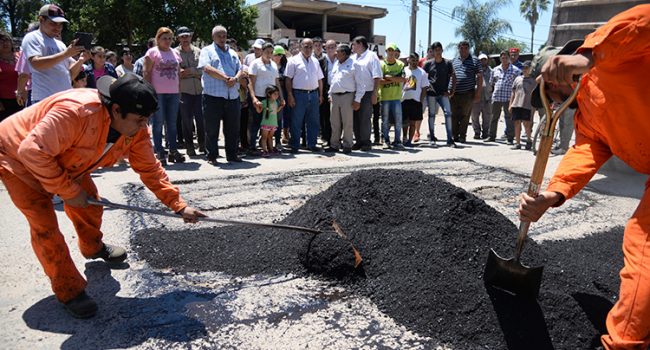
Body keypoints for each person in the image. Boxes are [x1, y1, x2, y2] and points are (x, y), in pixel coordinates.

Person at [0, 73, 204, 318]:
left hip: (65, 157)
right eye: (140, 119)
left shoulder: (135, 129)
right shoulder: (75, 113)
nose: (144, 126)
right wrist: (68, 190)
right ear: (116, 110)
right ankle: (69, 289)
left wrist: (179, 206)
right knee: (45, 227)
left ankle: (92, 247)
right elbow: (32, 151)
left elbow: (150, 169)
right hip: (15, 157)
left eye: (147, 119)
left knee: (90, 205)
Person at [518, 5, 650, 349]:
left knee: (642, 244)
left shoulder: (611, 58)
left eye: (549, 87)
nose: (552, 97)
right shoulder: (588, 118)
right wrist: (553, 194)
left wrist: (591, 55)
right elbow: (585, 152)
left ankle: (624, 342)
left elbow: (645, 19)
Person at [21, 4, 88, 104]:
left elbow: (70, 75)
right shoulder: (32, 37)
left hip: (64, 98)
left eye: (60, 24)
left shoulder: (60, 44)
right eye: (53, 23)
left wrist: (81, 60)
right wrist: (66, 54)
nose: (58, 27)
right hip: (45, 99)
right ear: (41, 20)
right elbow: (36, 64)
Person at [198, 25, 244, 165]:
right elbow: (207, 68)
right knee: (212, 128)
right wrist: (226, 78)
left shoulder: (233, 53)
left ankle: (232, 154)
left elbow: (241, 69)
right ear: (213, 37)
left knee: (233, 128)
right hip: (213, 95)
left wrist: (235, 79)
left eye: (224, 36)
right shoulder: (207, 50)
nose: (222, 38)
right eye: (219, 36)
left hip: (232, 96)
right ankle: (212, 155)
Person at [144, 27, 184, 165]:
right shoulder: (152, 52)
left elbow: (178, 73)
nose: (167, 41)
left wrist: (179, 91)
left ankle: (173, 150)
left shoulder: (175, 53)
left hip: (173, 92)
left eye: (169, 38)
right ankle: (159, 151)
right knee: (158, 123)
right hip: (158, 92)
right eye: (164, 38)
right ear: (158, 39)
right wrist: (148, 92)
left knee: (172, 123)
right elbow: (147, 73)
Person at [285, 38, 324, 153]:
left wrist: (320, 95)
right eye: (306, 46)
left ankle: (312, 144)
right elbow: (288, 79)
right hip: (298, 94)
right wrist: (290, 95)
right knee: (296, 121)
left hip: (313, 94)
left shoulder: (315, 61)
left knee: (313, 121)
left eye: (310, 47)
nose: (308, 49)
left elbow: (320, 79)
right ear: (300, 47)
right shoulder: (293, 60)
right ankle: (295, 145)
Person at [248, 42, 284, 154]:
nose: (269, 54)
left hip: (272, 99)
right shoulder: (255, 64)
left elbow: (277, 82)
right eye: (267, 52)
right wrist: (253, 98)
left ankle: (270, 146)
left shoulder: (273, 65)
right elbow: (251, 82)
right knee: (256, 122)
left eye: (271, 52)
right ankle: (252, 147)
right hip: (259, 97)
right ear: (262, 51)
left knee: (272, 123)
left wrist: (281, 97)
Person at [175, 26, 205, 157]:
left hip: (199, 90)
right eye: (182, 36)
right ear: (178, 38)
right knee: (186, 121)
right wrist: (193, 71)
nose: (185, 39)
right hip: (184, 91)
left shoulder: (199, 51)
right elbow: (178, 73)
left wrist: (188, 71)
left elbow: (202, 70)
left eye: (187, 36)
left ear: (191, 36)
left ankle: (203, 145)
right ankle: (189, 147)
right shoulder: (174, 53)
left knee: (201, 119)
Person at [351, 36, 382, 151]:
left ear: (361, 44)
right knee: (355, 118)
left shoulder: (371, 56)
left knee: (365, 117)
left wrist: (375, 93)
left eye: (354, 44)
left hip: (368, 92)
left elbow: (377, 76)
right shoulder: (353, 58)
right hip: (354, 92)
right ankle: (358, 141)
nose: (352, 47)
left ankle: (366, 142)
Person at [422, 42, 456, 148]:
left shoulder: (448, 63)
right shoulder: (428, 64)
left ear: (442, 50)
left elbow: (454, 77)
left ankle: (450, 139)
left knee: (448, 113)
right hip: (431, 94)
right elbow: (422, 77)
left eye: (439, 49)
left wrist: (451, 91)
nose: (437, 51)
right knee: (432, 115)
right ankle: (432, 137)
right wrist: (425, 88)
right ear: (432, 51)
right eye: (435, 50)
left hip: (443, 94)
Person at [326, 43, 357, 154]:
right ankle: (334, 145)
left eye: (337, 51)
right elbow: (333, 81)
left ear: (343, 53)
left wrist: (357, 99)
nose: (335, 53)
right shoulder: (336, 63)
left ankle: (347, 145)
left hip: (347, 96)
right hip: (334, 97)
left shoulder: (354, 64)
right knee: (334, 123)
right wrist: (330, 94)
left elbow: (360, 83)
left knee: (347, 123)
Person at [450, 40, 482, 144]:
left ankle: (462, 136)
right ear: (458, 49)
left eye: (466, 48)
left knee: (465, 115)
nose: (463, 50)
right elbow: (450, 76)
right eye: (461, 48)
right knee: (453, 115)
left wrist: (478, 93)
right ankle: (455, 136)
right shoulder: (453, 61)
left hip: (468, 93)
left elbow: (479, 77)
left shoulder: (475, 60)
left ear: (469, 49)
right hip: (453, 93)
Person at [485, 50, 521, 144]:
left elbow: (518, 84)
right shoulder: (495, 70)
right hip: (497, 97)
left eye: (506, 57)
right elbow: (491, 83)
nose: (504, 59)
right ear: (500, 58)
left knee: (509, 118)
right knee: (493, 117)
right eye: (502, 57)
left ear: (509, 58)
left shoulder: (516, 70)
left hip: (509, 98)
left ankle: (510, 138)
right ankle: (491, 136)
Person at [379, 43, 406, 150]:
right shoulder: (381, 64)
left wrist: (389, 77)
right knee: (385, 120)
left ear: (395, 52)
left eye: (392, 51)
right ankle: (386, 140)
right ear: (386, 52)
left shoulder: (400, 64)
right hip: (385, 97)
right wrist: (395, 78)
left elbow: (403, 79)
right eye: (388, 50)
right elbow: (379, 80)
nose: (390, 53)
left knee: (398, 121)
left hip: (396, 97)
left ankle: (397, 141)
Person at [401, 52, 428, 147]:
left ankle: (409, 140)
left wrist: (420, 100)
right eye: (413, 60)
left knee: (413, 123)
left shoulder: (422, 72)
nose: (415, 62)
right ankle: (404, 138)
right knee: (404, 122)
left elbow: (425, 88)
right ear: (408, 60)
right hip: (403, 100)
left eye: (416, 60)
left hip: (415, 101)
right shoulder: (403, 70)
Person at [508, 60, 535, 150]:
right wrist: (510, 104)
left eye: (527, 68)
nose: (525, 69)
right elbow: (513, 92)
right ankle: (518, 143)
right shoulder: (518, 78)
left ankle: (528, 140)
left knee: (526, 123)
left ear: (531, 69)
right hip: (516, 104)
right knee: (516, 123)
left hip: (527, 105)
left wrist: (534, 106)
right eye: (523, 67)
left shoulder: (533, 80)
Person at [319, 39, 337, 148]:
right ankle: (326, 138)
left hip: (337, 90)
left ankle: (336, 139)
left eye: (332, 47)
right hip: (325, 90)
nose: (330, 49)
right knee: (325, 116)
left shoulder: (340, 59)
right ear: (325, 48)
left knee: (336, 117)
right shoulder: (321, 60)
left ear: (336, 47)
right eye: (328, 47)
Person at [0, 31, 21, 121]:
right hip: (5, 102)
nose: (5, 43)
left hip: (22, 97)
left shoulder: (20, 56)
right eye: (0, 41)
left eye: (6, 40)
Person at [471, 53, 492, 140]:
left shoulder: (492, 71)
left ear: (487, 60)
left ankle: (485, 133)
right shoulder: (474, 70)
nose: (483, 61)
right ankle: (477, 132)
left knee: (487, 116)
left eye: (484, 59)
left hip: (487, 96)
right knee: (475, 115)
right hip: (476, 96)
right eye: (481, 60)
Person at [273, 45, 290, 147]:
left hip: (282, 93)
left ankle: (279, 140)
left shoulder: (285, 66)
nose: (279, 57)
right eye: (277, 54)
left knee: (281, 117)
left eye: (281, 55)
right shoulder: (269, 65)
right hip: (269, 93)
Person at [258, 85, 282, 157]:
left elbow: (276, 111)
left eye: (278, 94)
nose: (277, 96)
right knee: (264, 137)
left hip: (273, 123)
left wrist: (281, 106)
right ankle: (264, 150)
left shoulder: (276, 102)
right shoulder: (264, 102)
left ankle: (271, 149)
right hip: (266, 123)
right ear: (269, 94)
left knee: (270, 137)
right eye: (275, 94)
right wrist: (257, 106)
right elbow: (259, 111)